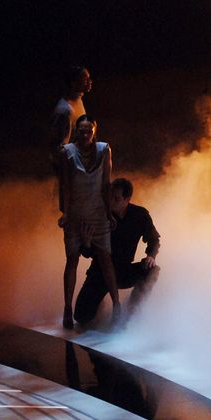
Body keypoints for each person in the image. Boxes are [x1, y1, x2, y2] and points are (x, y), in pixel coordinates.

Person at [60, 115, 120, 328]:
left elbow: (106, 183)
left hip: (97, 211)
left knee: (105, 257)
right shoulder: (68, 152)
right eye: (81, 131)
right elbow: (65, 185)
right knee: (72, 259)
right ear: (77, 131)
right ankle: (67, 308)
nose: (85, 134)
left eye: (88, 131)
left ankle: (117, 304)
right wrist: (66, 213)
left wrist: (108, 212)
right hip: (76, 213)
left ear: (95, 131)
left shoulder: (104, 150)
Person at [73, 178, 160, 325]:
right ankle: (100, 308)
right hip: (99, 273)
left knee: (152, 270)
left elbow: (154, 239)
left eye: (116, 199)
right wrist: (86, 243)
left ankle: (132, 312)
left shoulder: (139, 215)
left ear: (127, 199)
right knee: (81, 317)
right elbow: (88, 253)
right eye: (110, 197)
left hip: (123, 270)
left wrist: (151, 255)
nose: (111, 202)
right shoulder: (100, 217)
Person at [50, 66, 92, 161]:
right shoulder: (66, 110)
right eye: (85, 79)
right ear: (73, 83)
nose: (90, 81)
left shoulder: (77, 101)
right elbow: (60, 148)